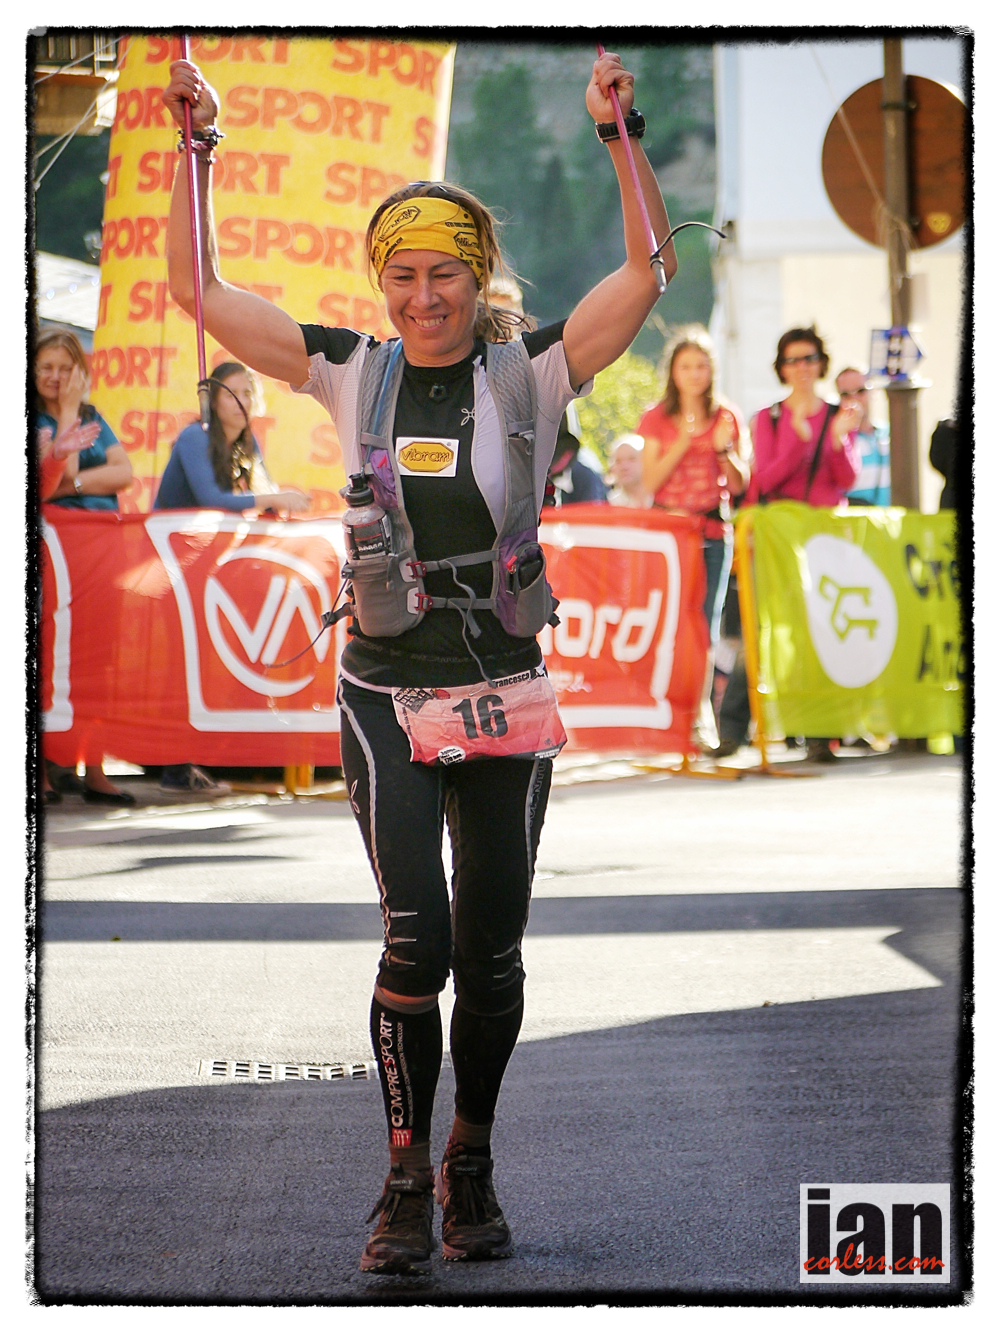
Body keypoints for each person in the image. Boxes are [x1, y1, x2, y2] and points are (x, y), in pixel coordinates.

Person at [164, 49, 676, 1276]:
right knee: (418, 940)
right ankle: (401, 1179)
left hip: (503, 684)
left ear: (478, 274)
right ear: (380, 280)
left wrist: (619, 134)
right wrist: (198, 147)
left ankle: (471, 1159)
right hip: (387, 690)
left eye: (444, 272)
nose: (423, 296)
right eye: (402, 274)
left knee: (491, 949)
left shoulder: (534, 370)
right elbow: (199, 288)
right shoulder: (348, 367)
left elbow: (646, 274)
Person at [154, 361, 309, 795]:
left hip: (211, 571)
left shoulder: (247, 442)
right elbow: (214, 498)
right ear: (212, 399)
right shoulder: (195, 437)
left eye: (248, 393)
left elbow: (263, 498)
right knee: (181, 663)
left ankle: (199, 758)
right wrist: (274, 496)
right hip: (173, 568)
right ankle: (173, 766)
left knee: (205, 661)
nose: (241, 402)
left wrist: (280, 504)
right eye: (231, 393)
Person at [727, 326, 863, 762]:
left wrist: (836, 439)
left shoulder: (838, 415)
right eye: (793, 360)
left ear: (820, 364)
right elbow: (764, 479)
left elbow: (846, 479)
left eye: (809, 359)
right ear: (781, 368)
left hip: (823, 538)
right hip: (777, 539)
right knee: (762, 628)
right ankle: (733, 728)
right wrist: (801, 441)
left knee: (822, 632)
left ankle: (821, 734)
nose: (802, 367)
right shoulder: (768, 418)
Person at [35, 328, 137, 806]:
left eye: (65, 367)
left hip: (100, 554)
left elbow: (124, 472)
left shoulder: (95, 418)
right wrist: (68, 411)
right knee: (49, 657)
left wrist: (74, 485)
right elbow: (58, 474)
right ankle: (42, 772)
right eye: (46, 367)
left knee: (99, 659)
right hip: (55, 554)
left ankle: (94, 768)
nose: (56, 376)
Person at [637, 326, 749, 749]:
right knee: (668, 622)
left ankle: (701, 713)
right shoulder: (656, 417)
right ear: (673, 371)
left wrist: (723, 451)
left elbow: (740, 484)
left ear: (711, 370)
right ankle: (663, 713)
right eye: (686, 366)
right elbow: (650, 480)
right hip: (668, 534)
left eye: (701, 366)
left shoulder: (726, 415)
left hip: (712, 531)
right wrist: (683, 441)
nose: (694, 374)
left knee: (705, 624)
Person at [835, 367, 891, 506]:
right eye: (846, 394)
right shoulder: (838, 439)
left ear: (873, 391)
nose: (854, 399)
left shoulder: (891, 434)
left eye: (861, 391)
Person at [605, 434, 651, 507]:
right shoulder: (608, 503)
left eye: (632, 459)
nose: (624, 467)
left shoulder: (661, 499)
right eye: (618, 461)